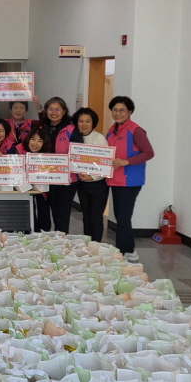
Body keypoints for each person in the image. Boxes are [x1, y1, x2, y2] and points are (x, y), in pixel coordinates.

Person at [106, 96, 155, 262]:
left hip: (130, 181)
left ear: (130, 112)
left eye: (122, 110)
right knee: (120, 216)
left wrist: (127, 161)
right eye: (114, 110)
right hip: (115, 179)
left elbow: (149, 153)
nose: (117, 113)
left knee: (123, 216)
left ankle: (127, 251)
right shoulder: (112, 130)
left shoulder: (136, 130)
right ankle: (124, 250)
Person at [40, 97, 82, 234]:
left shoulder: (72, 130)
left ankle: (62, 240)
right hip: (48, 177)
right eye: (50, 109)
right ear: (46, 111)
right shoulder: (42, 128)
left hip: (68, 179)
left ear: (64, 111)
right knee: (52, 210)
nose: (54, 112)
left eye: (58, 109)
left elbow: (78, 154)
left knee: (62, 214)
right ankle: (53, 239)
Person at [72, 107, 110, 243]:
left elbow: (105, 163)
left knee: (96, 217)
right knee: (86, 217)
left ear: (93, 122)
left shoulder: (99, 138)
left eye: (88, 121)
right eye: (81, 121)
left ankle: (96, 246)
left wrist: (92, 177)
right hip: (82, 185)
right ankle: (88, 245)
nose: (84, 124)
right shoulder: (75, 137)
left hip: (98, 185)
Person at [16, 126, 53, 232]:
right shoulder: (19, 149)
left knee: (44, 215)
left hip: (41, 189)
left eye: (40, 141)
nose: (35, 143)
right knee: (28, 215)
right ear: (28, 139)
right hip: (23, 190)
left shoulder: (47, 155)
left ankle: (43, 234)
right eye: (33, 139)